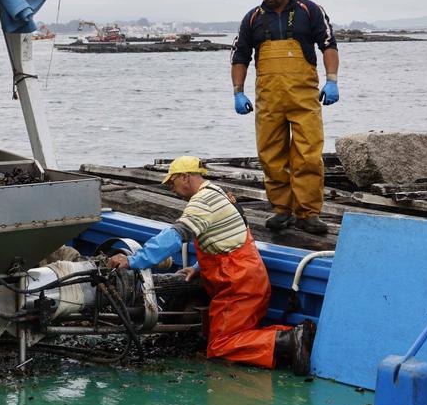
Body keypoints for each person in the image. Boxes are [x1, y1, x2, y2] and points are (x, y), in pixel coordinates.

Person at [106, 156, 316, 375]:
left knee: (220, 346)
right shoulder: (219, 193)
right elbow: (226, 240)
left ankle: (290, 339)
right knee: (240, 334)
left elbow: (175, 236)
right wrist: (198, 268)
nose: (171, 189)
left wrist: (133, 260)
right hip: (249, 278)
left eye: (172, 182)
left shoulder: (202, 201)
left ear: (185, 177)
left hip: (237, 286)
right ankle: (296, 336)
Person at [230, 0, 340, 235]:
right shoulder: (252, 18)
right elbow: (240, 55)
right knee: (270, 156)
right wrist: (238, 91)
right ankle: (281, 210)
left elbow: (328, 44)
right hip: (269, 99)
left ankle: (308, 213)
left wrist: (332, 80)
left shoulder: (309, 10)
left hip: (304, 97)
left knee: (308, 156)